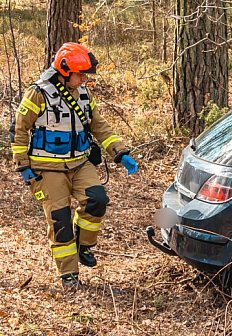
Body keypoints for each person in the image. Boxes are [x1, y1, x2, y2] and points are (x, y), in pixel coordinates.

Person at [11, 42, 139, 288]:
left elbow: (99, 126)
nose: (84, 80)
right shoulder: (38, 94)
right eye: (81, 75)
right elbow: (19, 130)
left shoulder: (84, 95)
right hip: (46, 169)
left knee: (97, 199)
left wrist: (120, 152)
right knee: (60, 221)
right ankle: (69, 274)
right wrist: (23, 165)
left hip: (80, 164)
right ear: (65, 71)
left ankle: (84, 244)